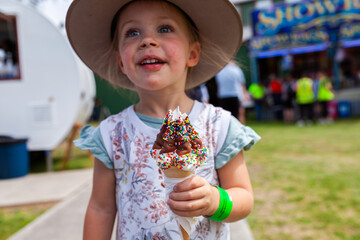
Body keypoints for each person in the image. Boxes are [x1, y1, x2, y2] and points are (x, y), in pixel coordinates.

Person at [66, 0, 260, 239]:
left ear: (193, 53)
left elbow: (244, 196)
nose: (147, 40)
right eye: (132, 32)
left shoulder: (218, 126)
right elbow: (101, 208)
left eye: (165, 29)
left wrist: (215, 200)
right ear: (121, 62)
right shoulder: (111, 134)